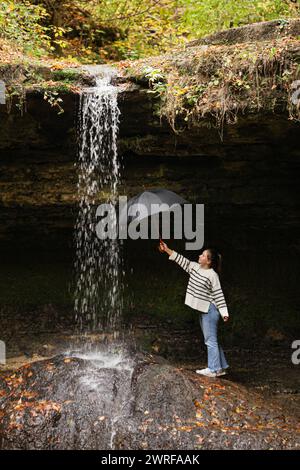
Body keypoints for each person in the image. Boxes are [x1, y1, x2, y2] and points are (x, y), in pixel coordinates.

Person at [159, 240, 230, 378]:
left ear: (209, 261)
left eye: (203, 255)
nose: (200, 256)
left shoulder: (212, 275)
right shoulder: (195, 267)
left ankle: (213, 369)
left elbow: (218, 294)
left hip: (210, 310)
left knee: (210, 341)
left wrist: (224, 312)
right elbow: (180, 259)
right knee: (212, 340)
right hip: (203, 310)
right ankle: (221, 367)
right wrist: (167, 249)